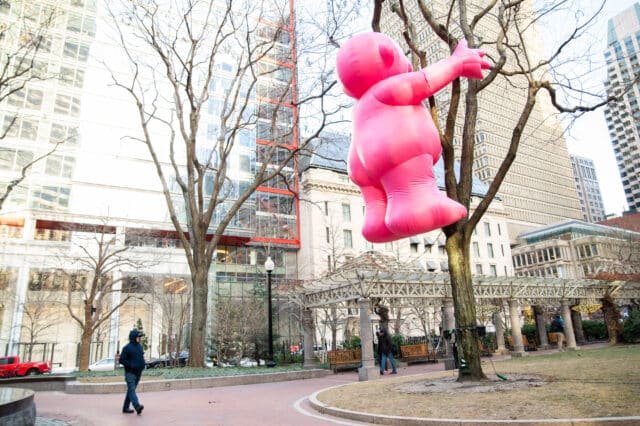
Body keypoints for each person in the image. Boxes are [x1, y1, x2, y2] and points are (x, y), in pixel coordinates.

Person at [119, 329, 145, 415]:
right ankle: (137, 406)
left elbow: (141, 358)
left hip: (138, 373)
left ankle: (125, 408)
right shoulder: (127, 348)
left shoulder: (140, 347)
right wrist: (130, 365)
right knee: (132, 390)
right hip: (130, 373)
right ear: (134, 337)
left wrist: (143, 365)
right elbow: (121, 360)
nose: (139, 339)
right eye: (138, 337)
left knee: (131, 391)